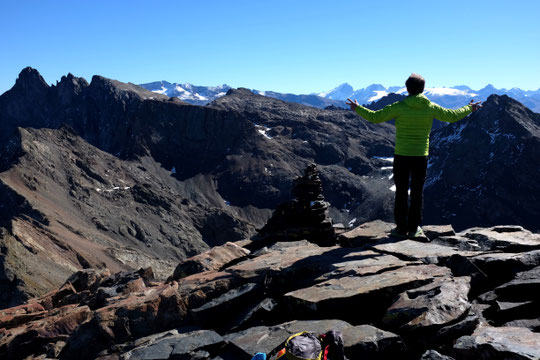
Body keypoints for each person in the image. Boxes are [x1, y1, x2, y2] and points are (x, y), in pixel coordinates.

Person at [346, 74, 482, 239]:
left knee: (401, 192)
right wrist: (469, 108)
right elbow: (451, 116)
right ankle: (414, 228)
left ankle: (401, 229)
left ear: (407, 88)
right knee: (417, 193)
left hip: (402, 155)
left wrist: (357, 108)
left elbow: (375, 117)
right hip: (420, 156)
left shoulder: (399, 106)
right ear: (423, 89)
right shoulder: (430, 107)